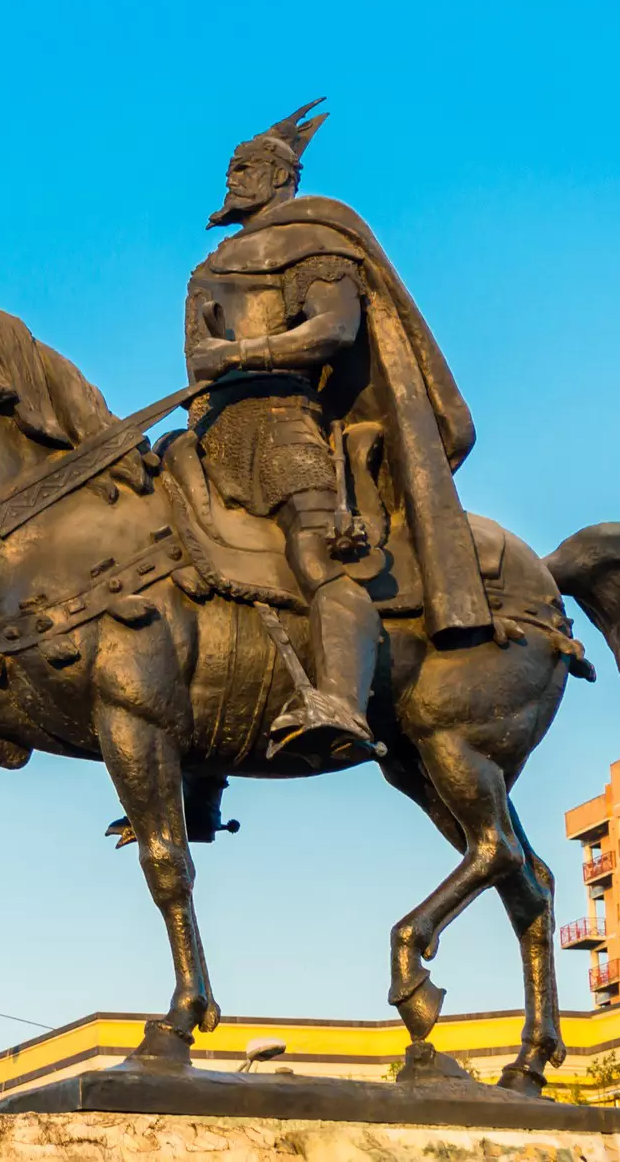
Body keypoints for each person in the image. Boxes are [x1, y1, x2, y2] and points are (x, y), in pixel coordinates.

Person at [185, 101, 492, 758]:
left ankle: (342, 704)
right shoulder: (218, 258)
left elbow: (334, 329)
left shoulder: (311, 241)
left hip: (283, 427)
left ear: (281, 178)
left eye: (248, 168)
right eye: (232, 167)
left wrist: (233, 357)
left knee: (317, 557)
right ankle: (194, 758)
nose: (234, 177)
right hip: (211, 431)